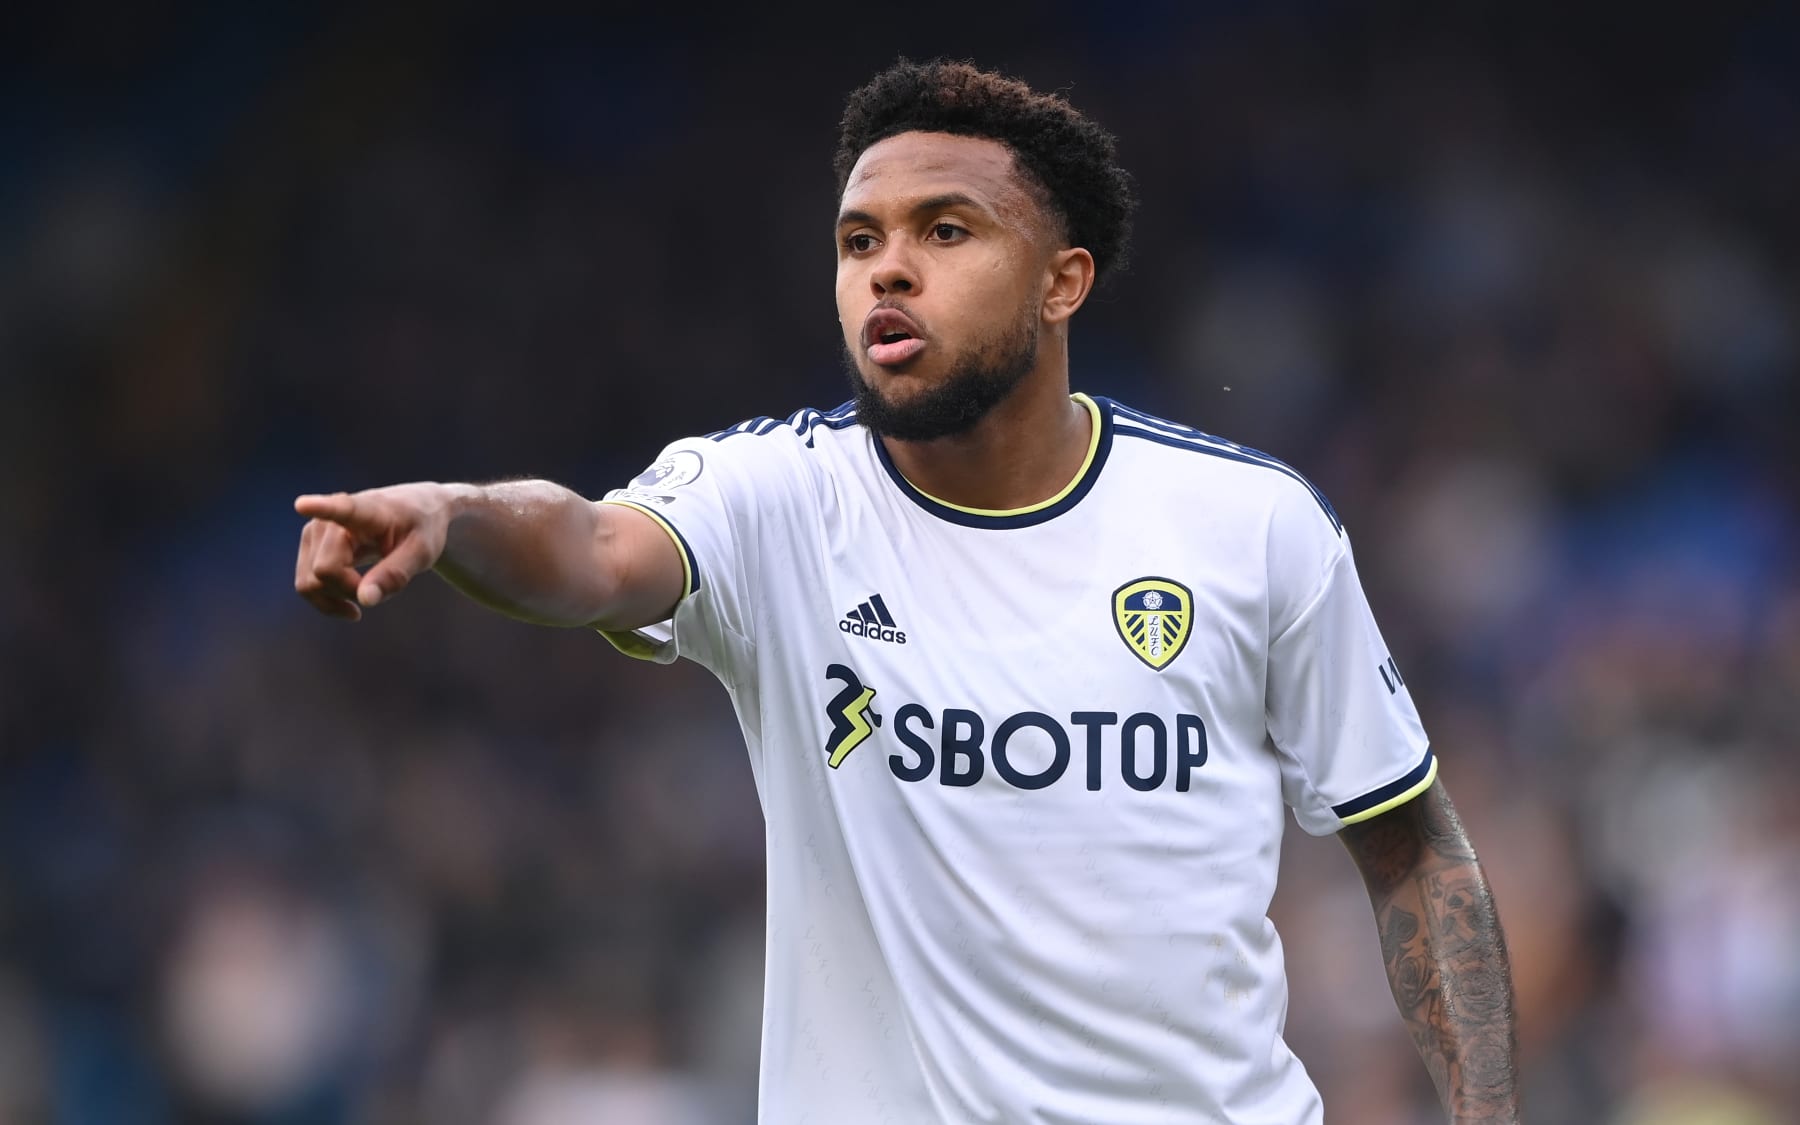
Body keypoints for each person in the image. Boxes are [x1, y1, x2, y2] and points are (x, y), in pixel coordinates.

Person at [293, 59, 1519, 1124]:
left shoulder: (1251, 528)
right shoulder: (778, 500)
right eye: (859, 238)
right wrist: (457, 514)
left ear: (1063, 281)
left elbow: (1410, 849)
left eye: (946, 231)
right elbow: (592, 553)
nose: (888, 271)